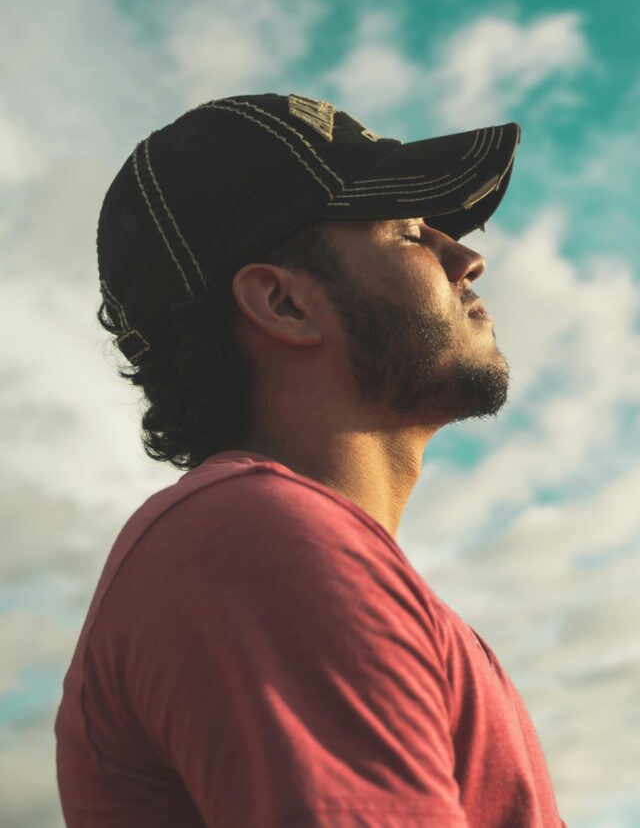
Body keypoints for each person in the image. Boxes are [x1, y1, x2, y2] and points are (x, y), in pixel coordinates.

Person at [55, 93, 566, 826]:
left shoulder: (277, 546)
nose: (466, 256)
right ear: (284, 304)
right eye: (406, 232)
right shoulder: (255, 541)